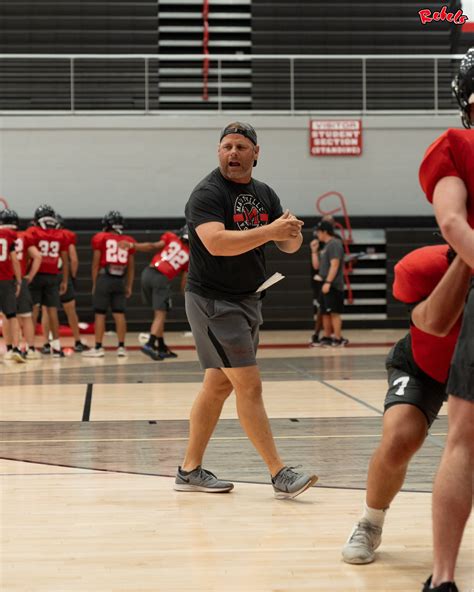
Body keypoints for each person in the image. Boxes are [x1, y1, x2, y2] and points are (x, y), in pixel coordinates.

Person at [176, 121, 317, 497]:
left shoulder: (264, 193)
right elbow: (217, 243)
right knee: (249, 385)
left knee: (218, 384)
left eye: (241, 146)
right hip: (214, 302)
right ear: (218, 152)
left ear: (256, 153)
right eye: (226, 146)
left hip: (247, 299)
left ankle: (189, 470)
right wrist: (271, 231)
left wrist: (291, 232)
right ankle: (279, 473)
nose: (232, 153)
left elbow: (287, 247)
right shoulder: (206, 193)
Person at [341, 245, 471, 568]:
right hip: (423, 367)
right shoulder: (421, 269)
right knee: (401, 438)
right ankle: (369, 523)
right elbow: (432, 322)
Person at [417, 48, 474, 592]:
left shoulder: (455, 145)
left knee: (465, 438)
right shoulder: (459, 148)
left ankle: (444, 580)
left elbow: (454, 223)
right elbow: (455, 223)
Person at [121, 226, 189, 361]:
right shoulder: (191, 254)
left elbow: (152, 246)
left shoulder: (171, 237)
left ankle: (161, 346)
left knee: (158, 314)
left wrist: (131, 245)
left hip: (147, 272)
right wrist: (186, 295)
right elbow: (184, 281)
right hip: (161, 279)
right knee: (161, 314)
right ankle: (150, 344)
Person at [83, 211, 136, 358]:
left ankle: (99, 347)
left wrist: (95, 283)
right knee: (119, 314)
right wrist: (129, 285)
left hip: (104, 278)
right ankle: (121, 347)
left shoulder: (101, 238)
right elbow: (131, 267)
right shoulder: (128, 240)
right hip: (120, 280)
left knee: (100, 314)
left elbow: (95, 264)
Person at [41, 215, 90, 353]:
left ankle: (46, 344)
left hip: (47, 274)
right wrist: (71, 277)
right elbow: (73, 259)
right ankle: (78, 341)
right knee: (70, 311)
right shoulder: (65, 235)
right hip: (62, 274)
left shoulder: (40, 235)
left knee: (46, 311)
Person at [25, 204, 69, 358]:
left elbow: (29, 255)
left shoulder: (33, 232)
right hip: (52, 275)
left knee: (33, 310)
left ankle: (30, 347)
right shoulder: (61, 234)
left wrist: (27, 274)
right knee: (52, 311)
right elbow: (65, 258)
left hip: (36, 274)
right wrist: (64, 279)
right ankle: (56, 346)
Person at [8, 209, 42, 359]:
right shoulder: (24, 236)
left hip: (5, 280)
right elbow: (38, 256)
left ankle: (11, 349)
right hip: (20, 280)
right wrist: (30, 276)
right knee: (27, 316)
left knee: (7, 316)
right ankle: (31, 348)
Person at [315, 220, 348, 346]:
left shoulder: (334, 244)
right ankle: (327, 337)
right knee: (325, 312)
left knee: (334, 312)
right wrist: (314, 251)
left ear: (324, 232)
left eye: (318, 232)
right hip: (325, 284)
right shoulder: (326, 246)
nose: (317, 235)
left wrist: (328, 282)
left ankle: (338, 338)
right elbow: (317, 265)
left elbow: (335, 265)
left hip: (333, 285)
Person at [0, 209, 24, 362]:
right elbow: (15, 260)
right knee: (11, 315)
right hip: (6, 279)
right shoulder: (10, 235)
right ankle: (14, 348)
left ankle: (10, 348)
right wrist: (19, 281)